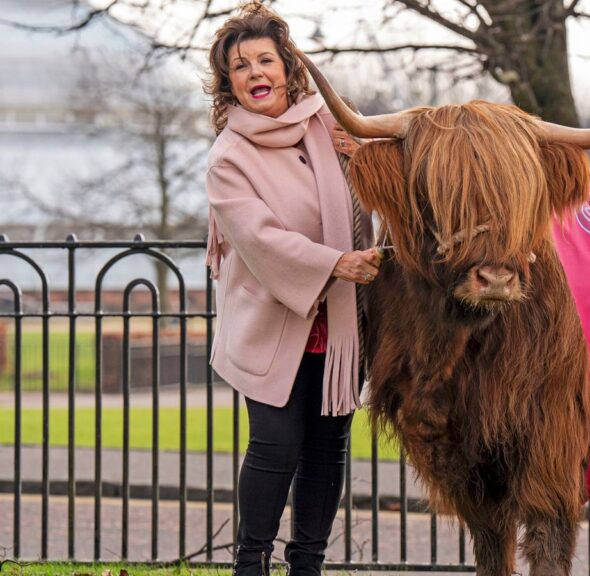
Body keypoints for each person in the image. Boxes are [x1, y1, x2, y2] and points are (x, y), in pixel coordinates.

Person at [203, 3, 380, 574]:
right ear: (226, 82)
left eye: (265, 60)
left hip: (339, 325)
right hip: (270, 324)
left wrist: (369, 160)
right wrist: (336, 264)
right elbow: (260, 241)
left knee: (327, 450)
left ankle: (307, 564)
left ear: (288, 68)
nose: (255, 73)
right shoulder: (228, 158)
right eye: (240, 66)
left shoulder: (328, 127)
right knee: (277, 447)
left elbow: (380, 193)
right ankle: (249, 562)